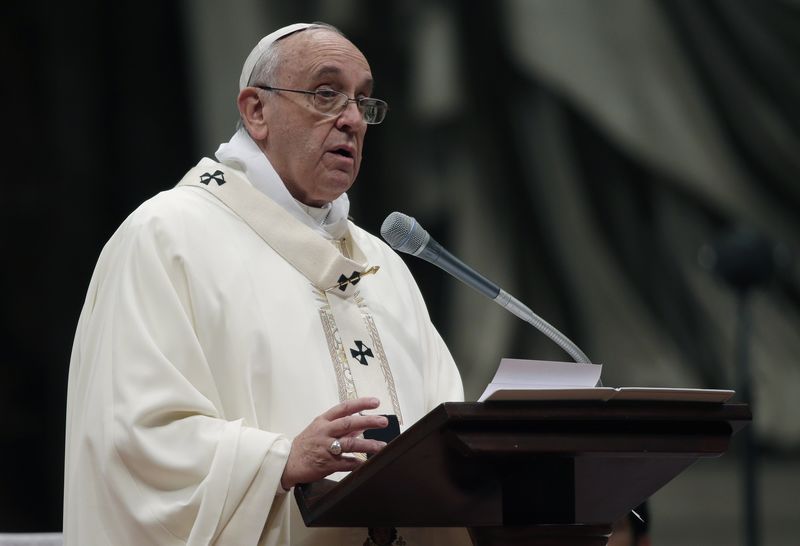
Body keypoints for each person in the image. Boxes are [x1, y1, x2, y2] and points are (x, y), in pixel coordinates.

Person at [63, 22, 470, 546]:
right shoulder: (167, 236)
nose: (351, 120)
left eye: (364, 102)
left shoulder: (383, 264)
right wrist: (280, 461)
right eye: (327, 94)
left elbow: (443, 433)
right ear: (256, 111)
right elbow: (131, 441)